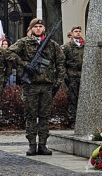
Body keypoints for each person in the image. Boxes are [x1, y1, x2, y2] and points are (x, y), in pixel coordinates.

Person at [10, 18, 65, 156]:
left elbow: (60, 63)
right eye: (36, 27)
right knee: (31, 116)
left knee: (45, 116)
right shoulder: (24, 42)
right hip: (31, 85)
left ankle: (43, 144)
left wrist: (58, 82)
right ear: (31, 29)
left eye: (41, 26)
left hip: (47, 85)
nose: (38, 29)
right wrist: (24, 64)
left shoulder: (52, 45)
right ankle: (32, 145)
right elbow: (9, 53)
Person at [62, 25, 85, 127]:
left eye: (79, 31)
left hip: (84, 75)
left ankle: (84, 118)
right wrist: (65, 75)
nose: (78, 33)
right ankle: (73, 120)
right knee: (72, 98)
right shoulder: (67, 47)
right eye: (76, 31)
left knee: (83, 98)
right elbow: (62, 62)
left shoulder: (85, 45)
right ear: (71, 33)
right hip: (72, 75)